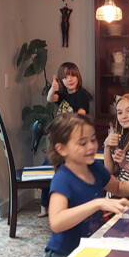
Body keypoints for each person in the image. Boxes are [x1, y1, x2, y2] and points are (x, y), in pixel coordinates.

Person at [41, 113, 129, 257]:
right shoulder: (63, 178)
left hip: (87, 250)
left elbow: (118, 187)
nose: (91, 147)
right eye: (82, 143)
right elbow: (57, 221)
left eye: (93, 140)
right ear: (61, 149)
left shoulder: (95, 167)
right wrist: (98, 203)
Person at [38, 62, 92, 217]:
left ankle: (62, 204)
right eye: (65, 77)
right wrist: (52, 89)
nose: (70, 79)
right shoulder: (62, 95)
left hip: (71, 140)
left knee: (60, 170)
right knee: (47, 167)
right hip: (58, 139)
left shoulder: (82, 95)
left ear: (78, 77)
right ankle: (45, 205)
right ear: (61, 80)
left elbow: (81, 116)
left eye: (73, 75)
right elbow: (50, 99)